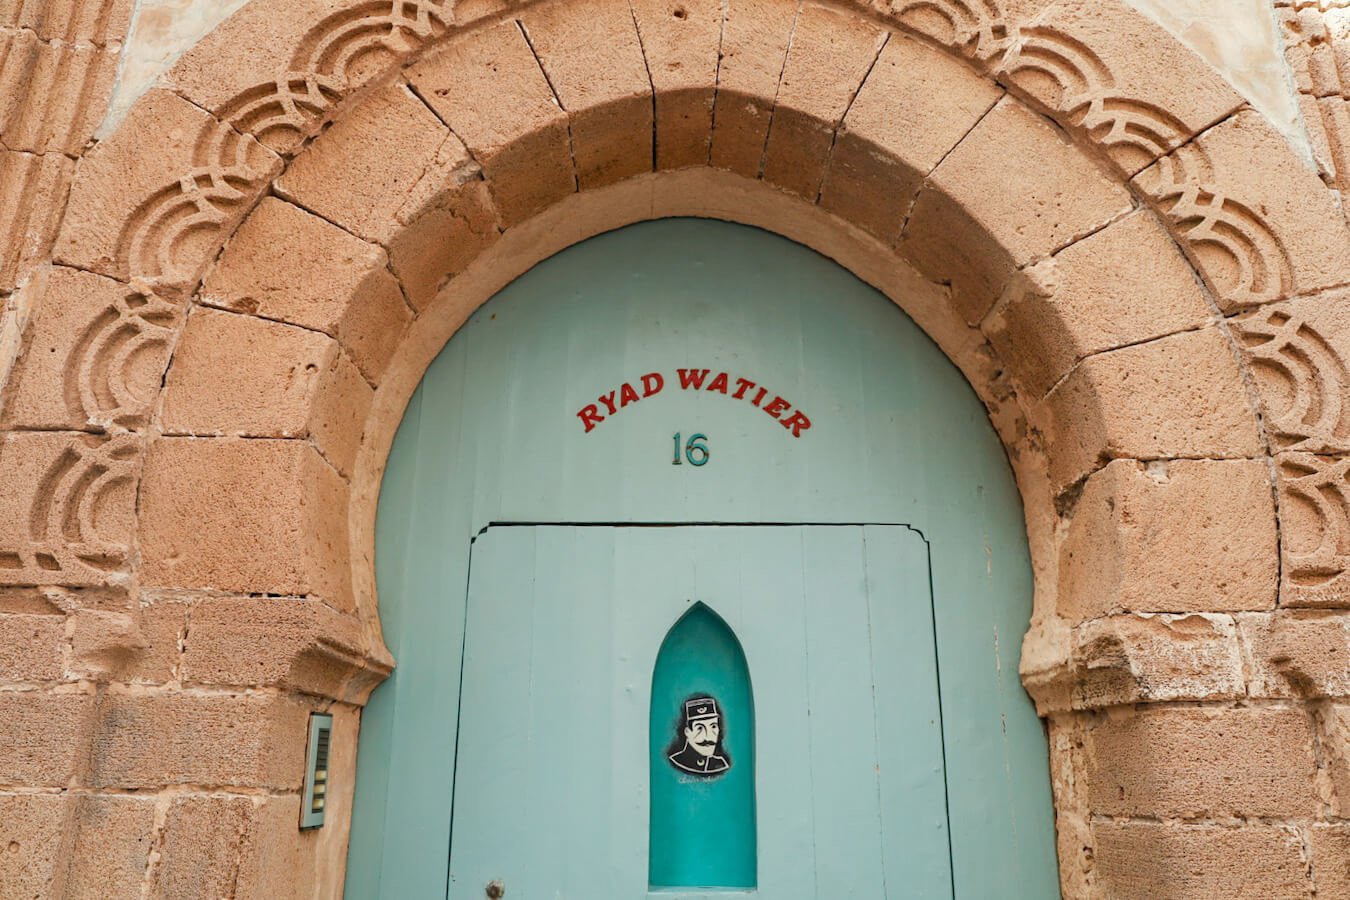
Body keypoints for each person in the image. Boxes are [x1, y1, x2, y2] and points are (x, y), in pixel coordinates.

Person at [667, 695, 731, 776]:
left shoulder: (720, 764)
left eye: (713, 726)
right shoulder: (676, 761)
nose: (708, 736)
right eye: (700, 728)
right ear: (687, 732)